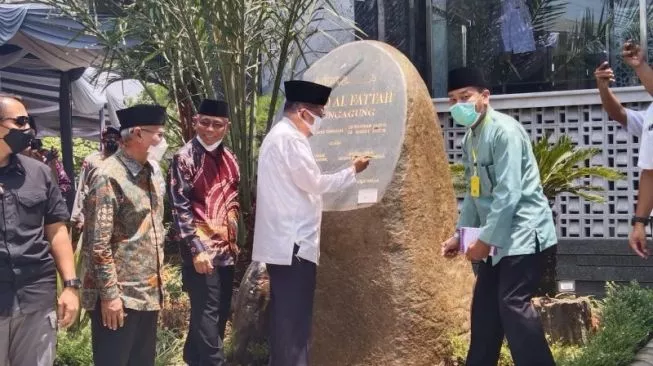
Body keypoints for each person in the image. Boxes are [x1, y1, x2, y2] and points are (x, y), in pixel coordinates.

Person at [440, 68, 557, 366]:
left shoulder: (504, 131)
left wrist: (485, 241)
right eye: (452, 100)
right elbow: (474, 195)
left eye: (465, 97)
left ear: (485, 96)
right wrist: (461, 235)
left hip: (523, 235)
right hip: (497, 241)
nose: (458, 105)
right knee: (485, 312)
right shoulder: (471, 138)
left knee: (512, 305)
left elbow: (508, 194)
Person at [252, 80, 370, 366]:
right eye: (320, 113)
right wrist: (352, 170)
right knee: (295, 327)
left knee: (285, 324)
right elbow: (314, 183)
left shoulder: (277, 136)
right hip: (293, 246)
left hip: (283, 245)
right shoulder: (291, 139)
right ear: (304, 112)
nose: (321, 119)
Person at [82, 104, 168, 366]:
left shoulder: (151, 172)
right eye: (159, 135)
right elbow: (98, 244)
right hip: (120, 297)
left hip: (147, 292)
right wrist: (109, 296)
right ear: (139, 134)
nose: (162, 141)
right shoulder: (109, 176)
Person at [0, 94, 80, 366]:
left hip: (36, 296)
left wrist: (70, 286)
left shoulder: (39, 173)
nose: (28, 129)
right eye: (20, 121)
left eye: (29, 121)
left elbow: (57, 231)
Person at [168, 99, 240, 365]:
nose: (209, 129)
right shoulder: (183, 157)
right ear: (196, 121)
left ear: (226, 127)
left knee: (217, 313)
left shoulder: (231, 159)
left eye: (217, 124)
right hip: (201, 252)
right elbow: (179, 207)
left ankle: (193, 359)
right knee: (207, 313)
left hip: (227, 251)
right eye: (204, 122)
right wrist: (195, 249)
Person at [70, 126, 121, 234]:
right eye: (109, 137)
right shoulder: (91, 160)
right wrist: (78, 217)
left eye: (115, 137)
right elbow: (82, 188)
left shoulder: (124, 161)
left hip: (117, 213)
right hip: (94, 212)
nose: (112, 140)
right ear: (103, 140)